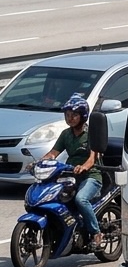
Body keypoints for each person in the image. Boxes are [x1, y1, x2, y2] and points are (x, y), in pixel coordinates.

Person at [40, 94, 103, 250]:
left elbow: (93, 157)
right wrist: (40, 162)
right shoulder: (66, 134)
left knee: (81, 199)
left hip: (91, 176)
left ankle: (96, 233)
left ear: (83, 116)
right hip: (71, 175)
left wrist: (84, 167)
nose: (70, 118)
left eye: (74, 115)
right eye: (67, 115)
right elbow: (53, 152)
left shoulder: (91, 134)